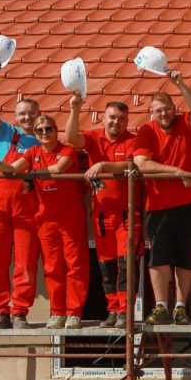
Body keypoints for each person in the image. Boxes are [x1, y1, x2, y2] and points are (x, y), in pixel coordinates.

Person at [132, 69, 191, 326]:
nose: (163, 114)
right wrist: (177, 172)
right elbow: (142, 164)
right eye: (158, 110)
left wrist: (182, 84)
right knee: (159, 256)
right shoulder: (147, 131)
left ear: (174, 108)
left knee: (187, 256)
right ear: (152, 113)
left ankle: (180, 307)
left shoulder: (186, 122)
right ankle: (161, 306)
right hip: (158, 205)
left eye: (167, 109)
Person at [69, 94, 143, 328]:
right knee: (106, 264)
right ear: (104, 118)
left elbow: (130, 164)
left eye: (121, 119)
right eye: (112, 117)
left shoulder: (132, 140)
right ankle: (113, 309)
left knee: (126, 263)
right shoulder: (94, 136)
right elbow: (71, 138)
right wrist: (74, 109)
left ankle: (125, 311)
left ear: (126, 121)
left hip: (127, 214)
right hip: (101, 214)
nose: (116, 122)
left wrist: (102, 165)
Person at [0, 61, 39, 330]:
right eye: (22, 114)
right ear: (16, 116)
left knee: (25, 259)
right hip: (0, 197)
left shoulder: (43, 140)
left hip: (27, 200)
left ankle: (19, 312)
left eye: (31, 114)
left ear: (38, 116)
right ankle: (0, 311)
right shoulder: (6, 132)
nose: (26, 118)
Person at [24, 114, 89, 329]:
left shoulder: (66, 150)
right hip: (46, 219)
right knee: (51, 267)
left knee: (75, 265)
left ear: (56, 130)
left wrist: (32, 174)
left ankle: (74, 312)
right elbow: (12, 168)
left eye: (48, 129)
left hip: (70, 217)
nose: (44, 133)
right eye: (39, 130)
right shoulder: (33, 152)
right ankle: (57, 311)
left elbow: (58, 169)